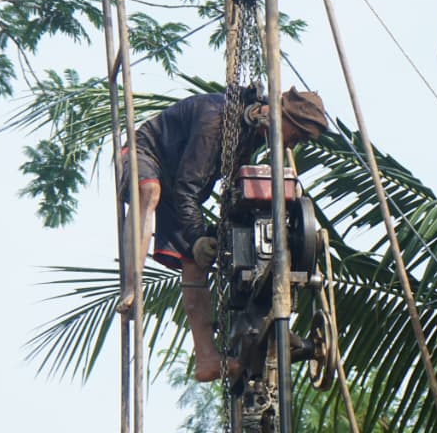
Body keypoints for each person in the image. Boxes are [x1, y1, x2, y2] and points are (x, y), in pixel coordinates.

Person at [118, 87, 328, 382]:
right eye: (297, 134)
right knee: (149, 191)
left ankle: (207, 358)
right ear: (279, 115)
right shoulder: (215, 120)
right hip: (145, 154)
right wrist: (196, 237)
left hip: (178, 183)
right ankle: (131, 288)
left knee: (195, 263)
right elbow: (188, 188)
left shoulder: (254, 130)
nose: (293, 144)